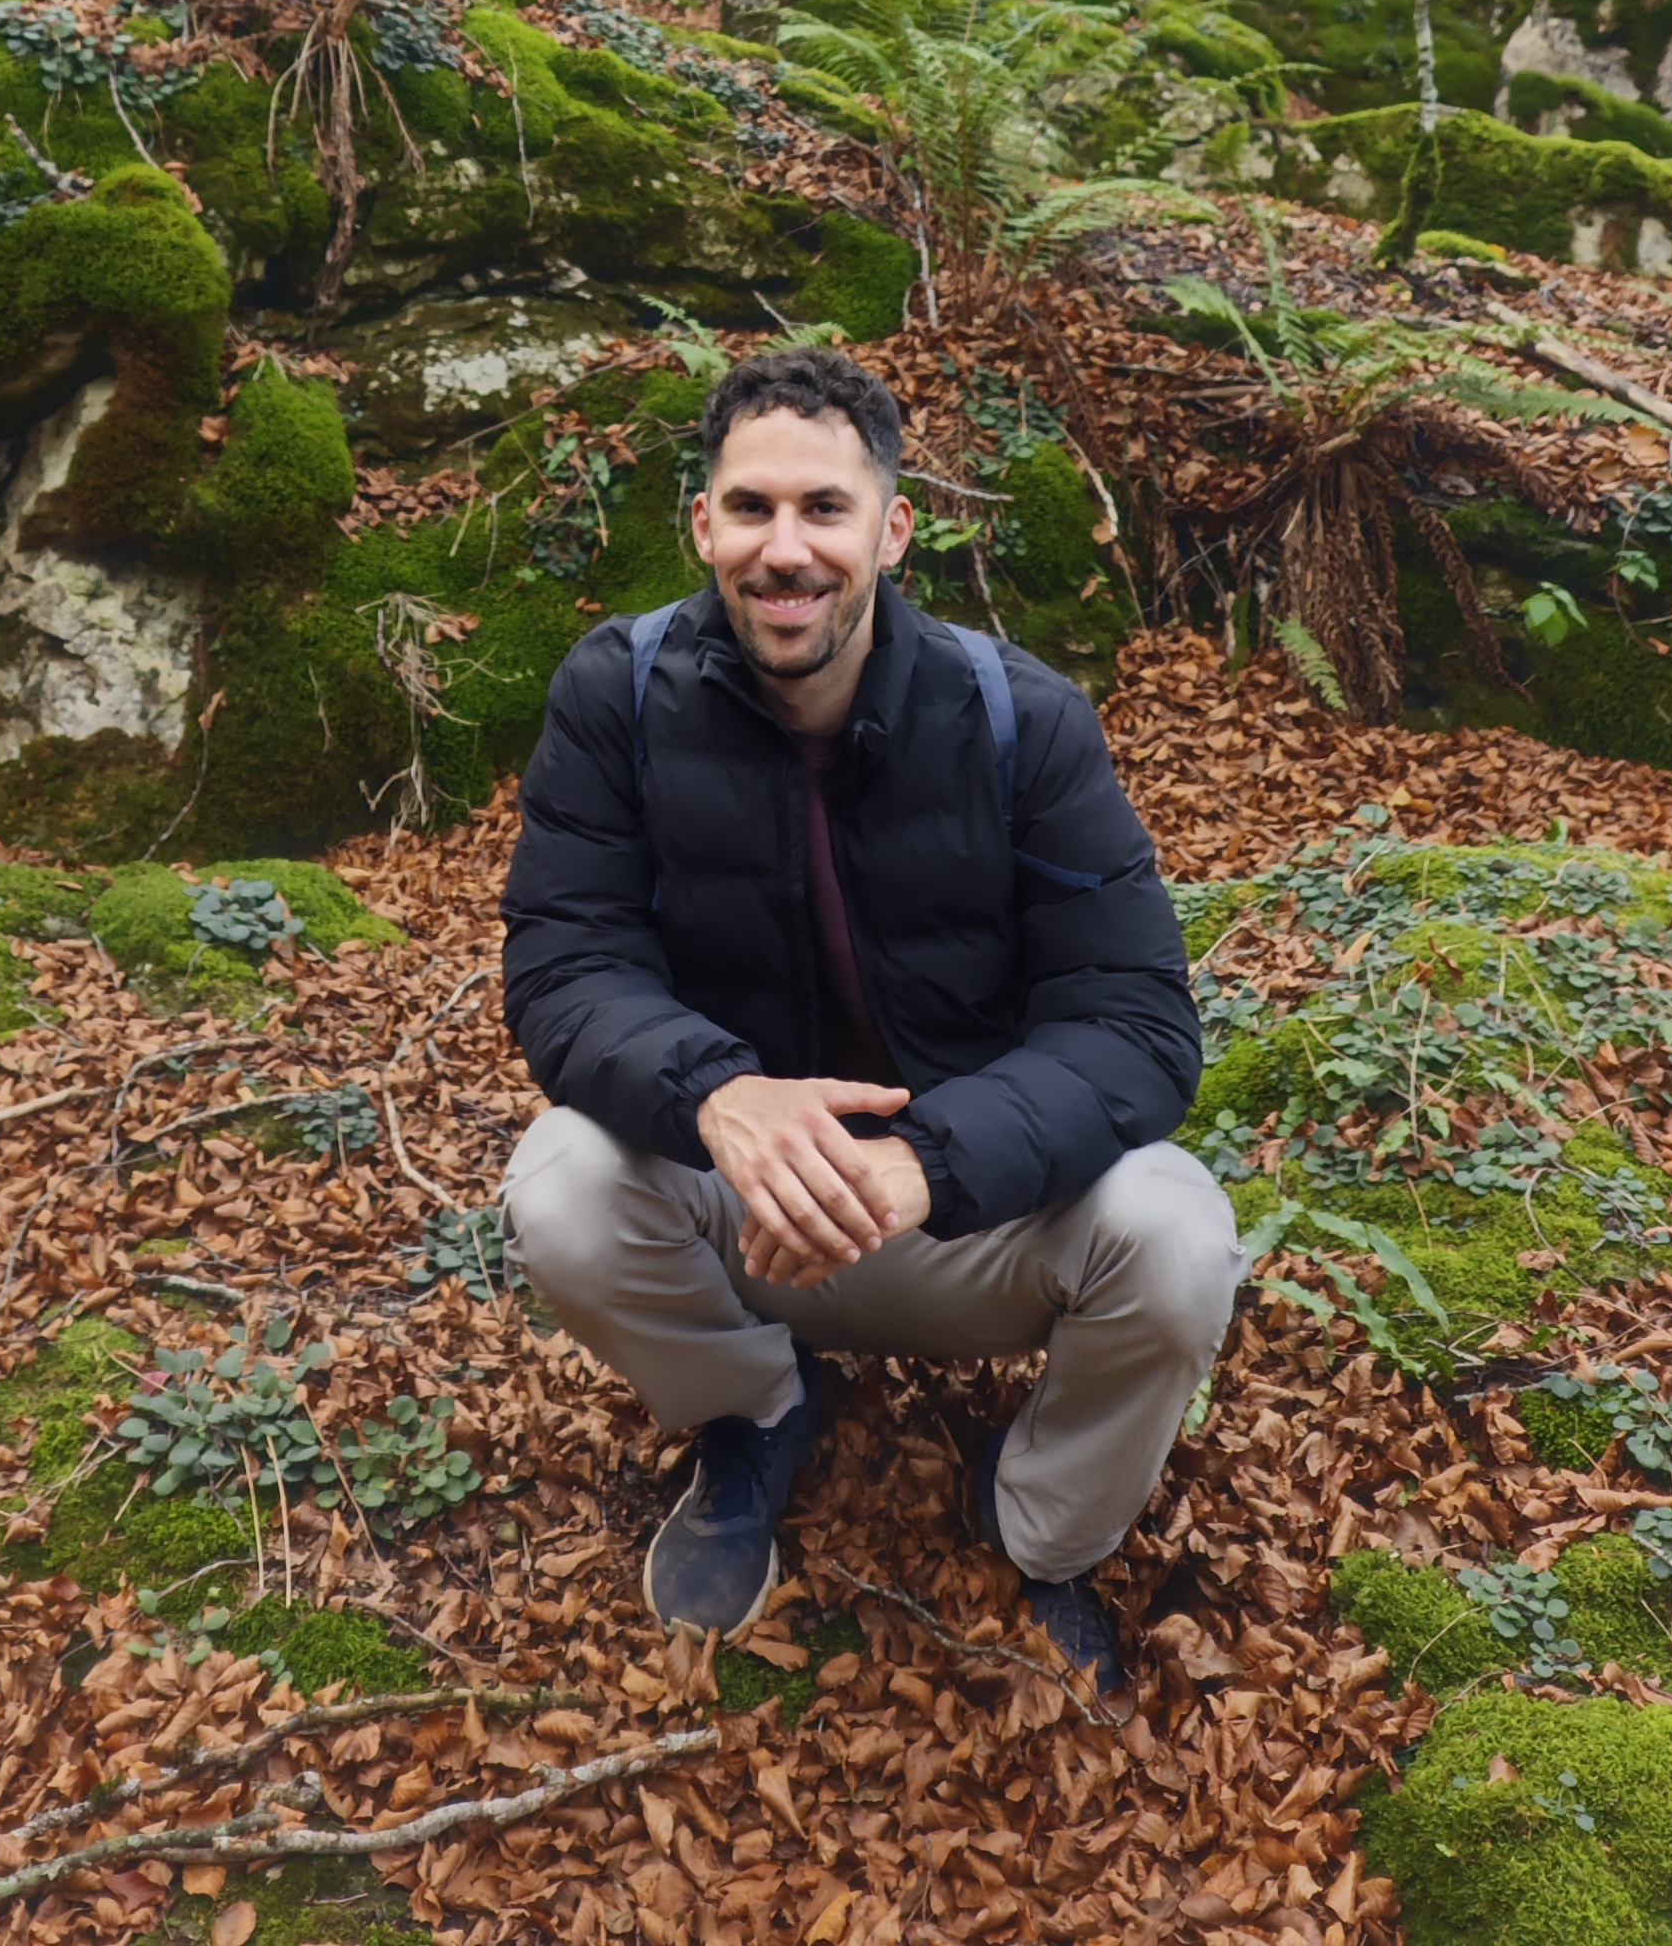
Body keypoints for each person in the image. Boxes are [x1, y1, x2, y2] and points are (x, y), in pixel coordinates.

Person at [499, 344, 1237, 1689]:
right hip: (744, 1214)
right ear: (704, 524)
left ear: (893, 529)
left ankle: (1037, 1528)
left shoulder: (1023, 720)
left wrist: (929, 1165)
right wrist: (719, 1095)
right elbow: (565, 960)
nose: (787, 550)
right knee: (556, 1182)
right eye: (753, 508)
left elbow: (1135, 1023)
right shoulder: (619, 697)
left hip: (969, 1217)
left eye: (825, 510)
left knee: (1179, 1234)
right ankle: (758, 1409)